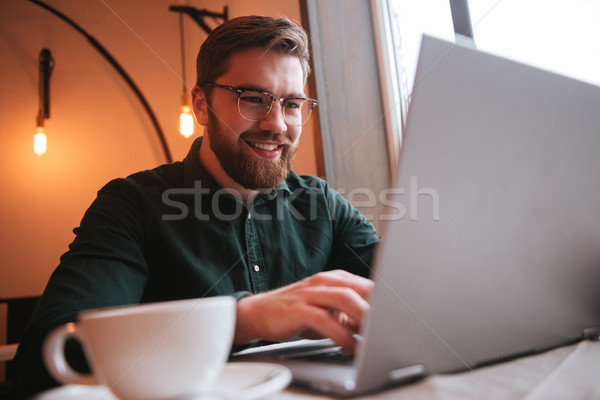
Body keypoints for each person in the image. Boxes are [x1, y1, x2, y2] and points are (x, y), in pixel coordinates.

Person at [13, 15, 379, 398]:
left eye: (291, 104)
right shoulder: (131, 205)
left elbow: (409, 297)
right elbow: (46, 359)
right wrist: (241, 319)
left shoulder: (323, 203)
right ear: (202, 105)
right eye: (253, 98)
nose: (276, 124)